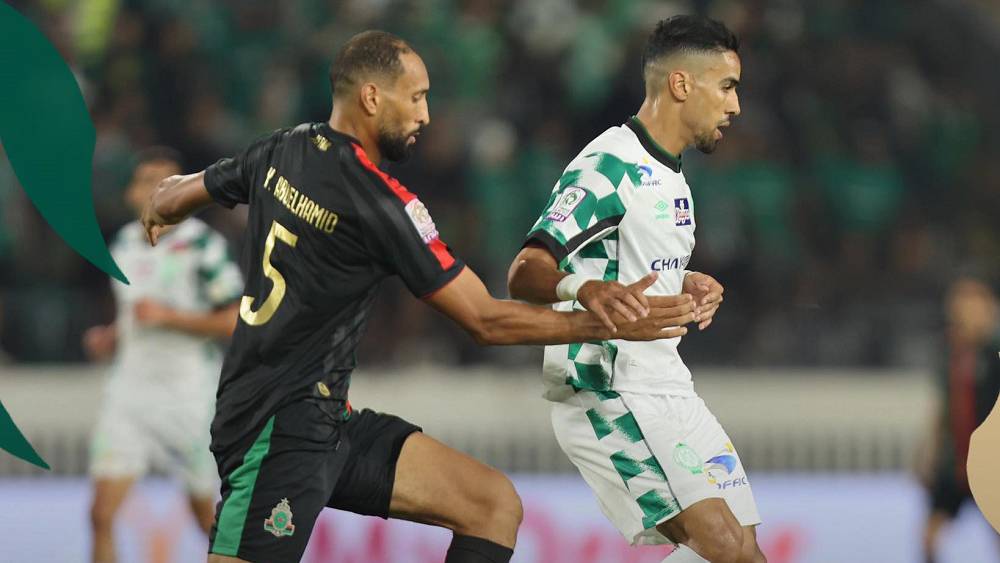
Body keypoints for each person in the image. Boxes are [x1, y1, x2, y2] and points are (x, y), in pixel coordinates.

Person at [140, 30, 697, 563]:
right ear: (372, 97)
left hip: (324, 419)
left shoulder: (284, 147)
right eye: (416, 97)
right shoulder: (382, 203)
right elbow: (485, 321)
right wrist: (604, 325)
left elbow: (190, 190)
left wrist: (165, 203)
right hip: (277, 431)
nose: (425, 115)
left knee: (491, 505)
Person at [507, 15, 765, 563]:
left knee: (746, 551)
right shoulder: (609, 166)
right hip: (607, 387)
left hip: (668, 383)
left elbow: (629, 261)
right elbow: (525, 271)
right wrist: (585, 289)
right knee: (721, 545)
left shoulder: (673, 175)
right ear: (681, 84)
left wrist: (685, 281)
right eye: (727, 87)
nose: (736, 106)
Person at [85, 147, 243, 563]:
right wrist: (111, 337)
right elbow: (133, 314)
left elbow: (235, 320)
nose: (158, 189)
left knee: (206, 518)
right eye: (147, 181)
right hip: (129, 393)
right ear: (131, 193)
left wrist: (170, 318)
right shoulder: (122, 244)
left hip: (187, 395)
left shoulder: (204, 247)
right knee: (100, 515)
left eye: (169, 181)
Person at [918, 276, 1000, 563]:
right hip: (955, 463)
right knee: (929, 537)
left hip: (990, 465)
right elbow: (942, 408)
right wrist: (928, 451)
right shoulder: (949, 355)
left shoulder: (994, 354)